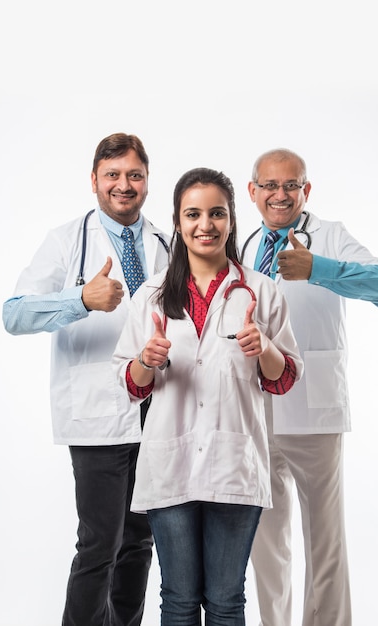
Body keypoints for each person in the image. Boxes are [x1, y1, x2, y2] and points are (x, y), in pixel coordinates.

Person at [112, 167, 303, 626]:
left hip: (234, 463)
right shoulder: (152, 295)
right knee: (177, 598)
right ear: (177, 223)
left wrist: (265, 347)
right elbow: (130, 382)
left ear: (231, 220)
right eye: (193, 214)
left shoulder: (260, 291)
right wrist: (147, 357)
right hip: (170, 464)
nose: (206, 224)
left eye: (217, 213)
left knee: (225, 600)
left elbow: (285, 378)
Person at [2, 133, 170, 626]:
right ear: (94, 181)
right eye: (113, 175)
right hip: (97, 412)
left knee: (140, 543)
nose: (124, 185)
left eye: (134, 175)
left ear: (146, 182)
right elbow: (13, 315)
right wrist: (80, 299)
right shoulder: (66, 241)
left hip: (157, 411)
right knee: (100, 543)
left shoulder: (165, 242)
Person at [241, 148, 378, 626]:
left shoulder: (330, 236)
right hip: (253, 413)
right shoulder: (242, 241)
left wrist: (319, 269)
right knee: (266, 546)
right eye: (269, 185)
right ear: (252, 192)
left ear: (305, 191)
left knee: (325, 543)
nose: (280, 194)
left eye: (291, 185)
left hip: (312, 411)